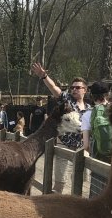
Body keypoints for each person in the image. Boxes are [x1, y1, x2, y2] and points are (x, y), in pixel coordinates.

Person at [30, 60, 90, 191]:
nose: (74, 89)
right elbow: (54, 89)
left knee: (81, 185)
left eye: (77, 87)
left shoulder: (90, 109)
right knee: (59, 184)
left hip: (82, 150)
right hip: (64, 148)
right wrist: (44, 76)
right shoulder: (67, 101)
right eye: (72, 87)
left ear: (85, 90)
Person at [81, 82, 112, 162]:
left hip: (98, 159)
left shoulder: (87, 115)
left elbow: (86, 146)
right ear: (108, 94)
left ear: (91, 96)